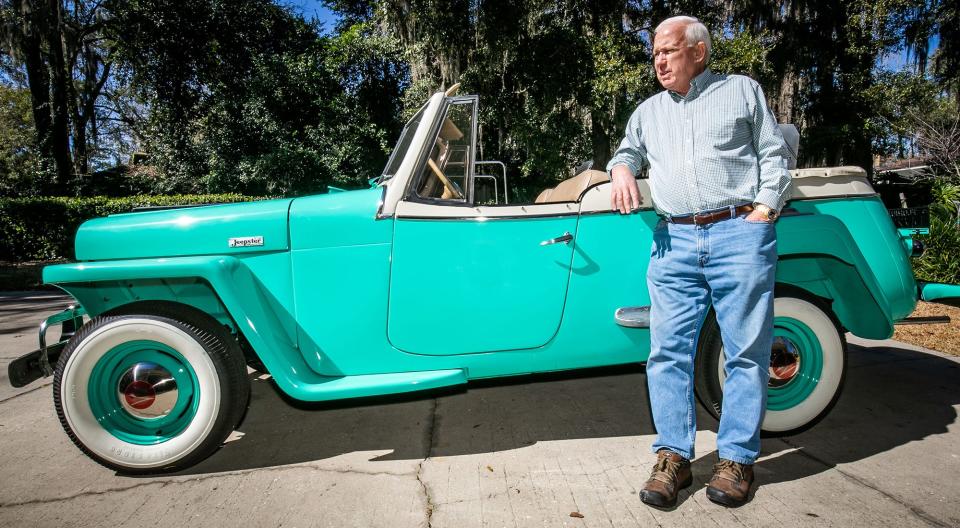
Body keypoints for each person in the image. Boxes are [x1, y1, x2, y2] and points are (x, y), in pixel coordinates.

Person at [606, 15, 792, 508]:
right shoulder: (647, 111)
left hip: (739, 232)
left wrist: (764, 210)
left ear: (699, 52)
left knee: (746, 353)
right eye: (655, 55)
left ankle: (735, 460)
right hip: (675, 240)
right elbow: (627, 150)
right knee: (666, 352)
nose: (659, 61)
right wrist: (622, 169)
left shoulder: (742, 91)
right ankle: (673, 458)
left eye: (667, 51)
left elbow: (773, 154)